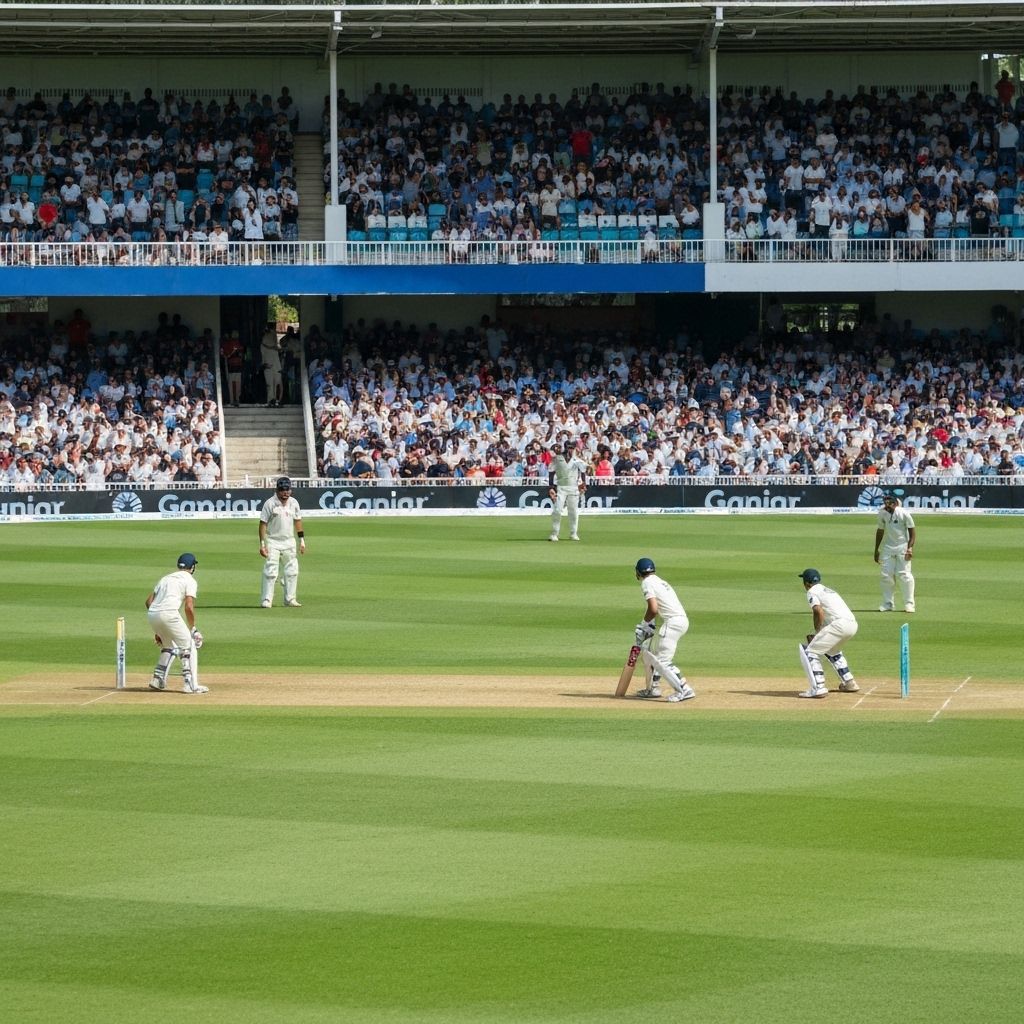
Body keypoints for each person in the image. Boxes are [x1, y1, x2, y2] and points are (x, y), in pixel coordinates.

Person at [631, 557, 696, 703]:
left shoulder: (647, 583)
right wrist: (650, 626)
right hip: (679, 621)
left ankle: (684, 689)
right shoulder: (660, 581)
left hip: (672, 623)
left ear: (638, 572)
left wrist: (644, 624)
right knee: (650, 654)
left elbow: (653, 609)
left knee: (663, 661)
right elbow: (662, 607)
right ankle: (653, 688)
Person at [145, 552, 208, 694]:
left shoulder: (165, 578)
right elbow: (189, 606)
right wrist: (192, 628)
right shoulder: (190, 580)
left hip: (153, 614)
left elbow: (149, 602)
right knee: (189, 646)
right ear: (192, 567)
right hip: (169, 613)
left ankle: (158, 679)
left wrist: (159, 629)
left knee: (169, 646)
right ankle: (191, 685)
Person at [796, 568, 859, 699]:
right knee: (832, 651)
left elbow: (818, 611)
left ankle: (818, 688)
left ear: (806, 583)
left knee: (811, 653)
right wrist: (819, 634)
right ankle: (849, 682)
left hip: (840, 625)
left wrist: (817, 632)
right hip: (852, 624)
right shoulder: (829, 591)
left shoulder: (811, 591)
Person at [258, 476, 305, 608]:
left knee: (292, 571)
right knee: (271, 572)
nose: (285, 493)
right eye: (282, 490)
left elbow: (298, 521)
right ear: (277, 490)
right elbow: (262, 524)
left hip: (289, 541)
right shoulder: (270, 503)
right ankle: (267, 599)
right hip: (272, 541)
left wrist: (302, 540)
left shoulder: (294, 503)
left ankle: (290, 599)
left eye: (287, 489)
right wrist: (262, 544)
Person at [874, 492, 916, 612]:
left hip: (903, 546)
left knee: (905, 575)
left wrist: (910, 548)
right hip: (888, 547)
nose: (887, 506)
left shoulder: (904, 513)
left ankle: (909, 604)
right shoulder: (882, 513)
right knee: (886, 576)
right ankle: (888, 603)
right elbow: (880, 530)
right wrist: (876, 550)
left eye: (890, 504)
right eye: (885, 503)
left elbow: (912, 532)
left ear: (895, 503)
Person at [547, 440, 587, 541]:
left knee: (573, 511)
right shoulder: (557, 459)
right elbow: (551, 472)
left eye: (572, 448)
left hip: (573, 488)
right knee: (557, 510)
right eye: (569, 447)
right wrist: (551, 487)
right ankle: (554, 533)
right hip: (561, 487)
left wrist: (583, 483)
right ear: (566, 448)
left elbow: (583, 471)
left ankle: (573, 533)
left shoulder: (576, 460)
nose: (571, 449)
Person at [261, 323, 283, 407]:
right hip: (269, 364)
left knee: (275, 383)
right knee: (270, 383)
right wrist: (264, 363)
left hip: (274, 364)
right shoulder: (265, 340)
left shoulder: (274, 339)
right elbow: (262, 353)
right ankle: (271, 399)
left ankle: (274, 399)